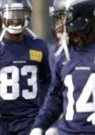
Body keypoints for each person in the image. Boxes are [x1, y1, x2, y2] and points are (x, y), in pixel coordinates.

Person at [0, 0, 52, 135]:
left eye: (20, 14)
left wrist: (46, 111)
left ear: (27, 15)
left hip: (32, 120)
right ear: (2, 16)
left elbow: (48, 81)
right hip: (0, 121)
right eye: (11, 14)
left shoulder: (39, 46)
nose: (16, 19)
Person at [30, 0, 95, 135]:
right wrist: (40, 125)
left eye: (65, 17)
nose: (60, 24)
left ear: (83, 17)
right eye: (58, 18)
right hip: (68, 131)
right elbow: (55, 96)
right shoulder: (60, 53)